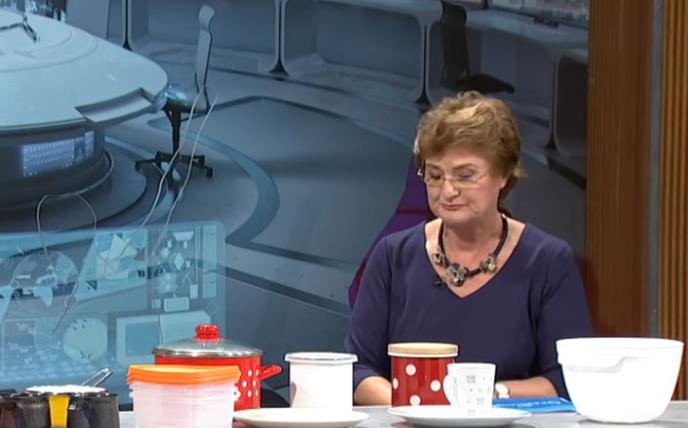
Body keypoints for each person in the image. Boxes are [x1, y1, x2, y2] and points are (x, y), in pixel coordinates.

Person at [345, 91, 593, 405]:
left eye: (465, 176)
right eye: (435, 176)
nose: (448, 190)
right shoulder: (392, 256)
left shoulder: (547, 261)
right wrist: (420, 407)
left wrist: (482, 397)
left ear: (503, 174)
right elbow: (358, 371)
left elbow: (568, 378)